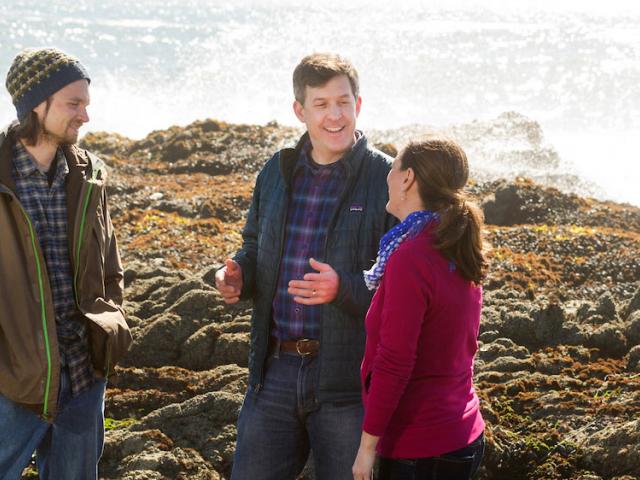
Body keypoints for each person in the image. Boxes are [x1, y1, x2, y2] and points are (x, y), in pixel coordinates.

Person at [215, 52, 394, 480]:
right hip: (273, 372)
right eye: (321, 104)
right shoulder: (276, 171)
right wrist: (238, 275)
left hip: (348, 385)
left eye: (343, 102)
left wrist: (343, 289)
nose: (335, 115)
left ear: (358, 104)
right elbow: (254, 246)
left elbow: (403, 286)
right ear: (300, 110)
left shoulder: (386, 177)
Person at [0, 47, 132, 479]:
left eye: (86, 105)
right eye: (73, 104)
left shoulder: (88, 175)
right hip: (12, 385)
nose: (85, 117)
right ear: (35, 105)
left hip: (82, 377)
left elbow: (111, 266)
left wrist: (110, 322)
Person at [352, 137, 488, 480]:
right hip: (462, 433)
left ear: (408, 178)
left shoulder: (412, 257)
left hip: (421, 447)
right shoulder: (456, 242)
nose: (388, 174)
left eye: (394, 166)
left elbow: (395, 362)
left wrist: (367, 449)